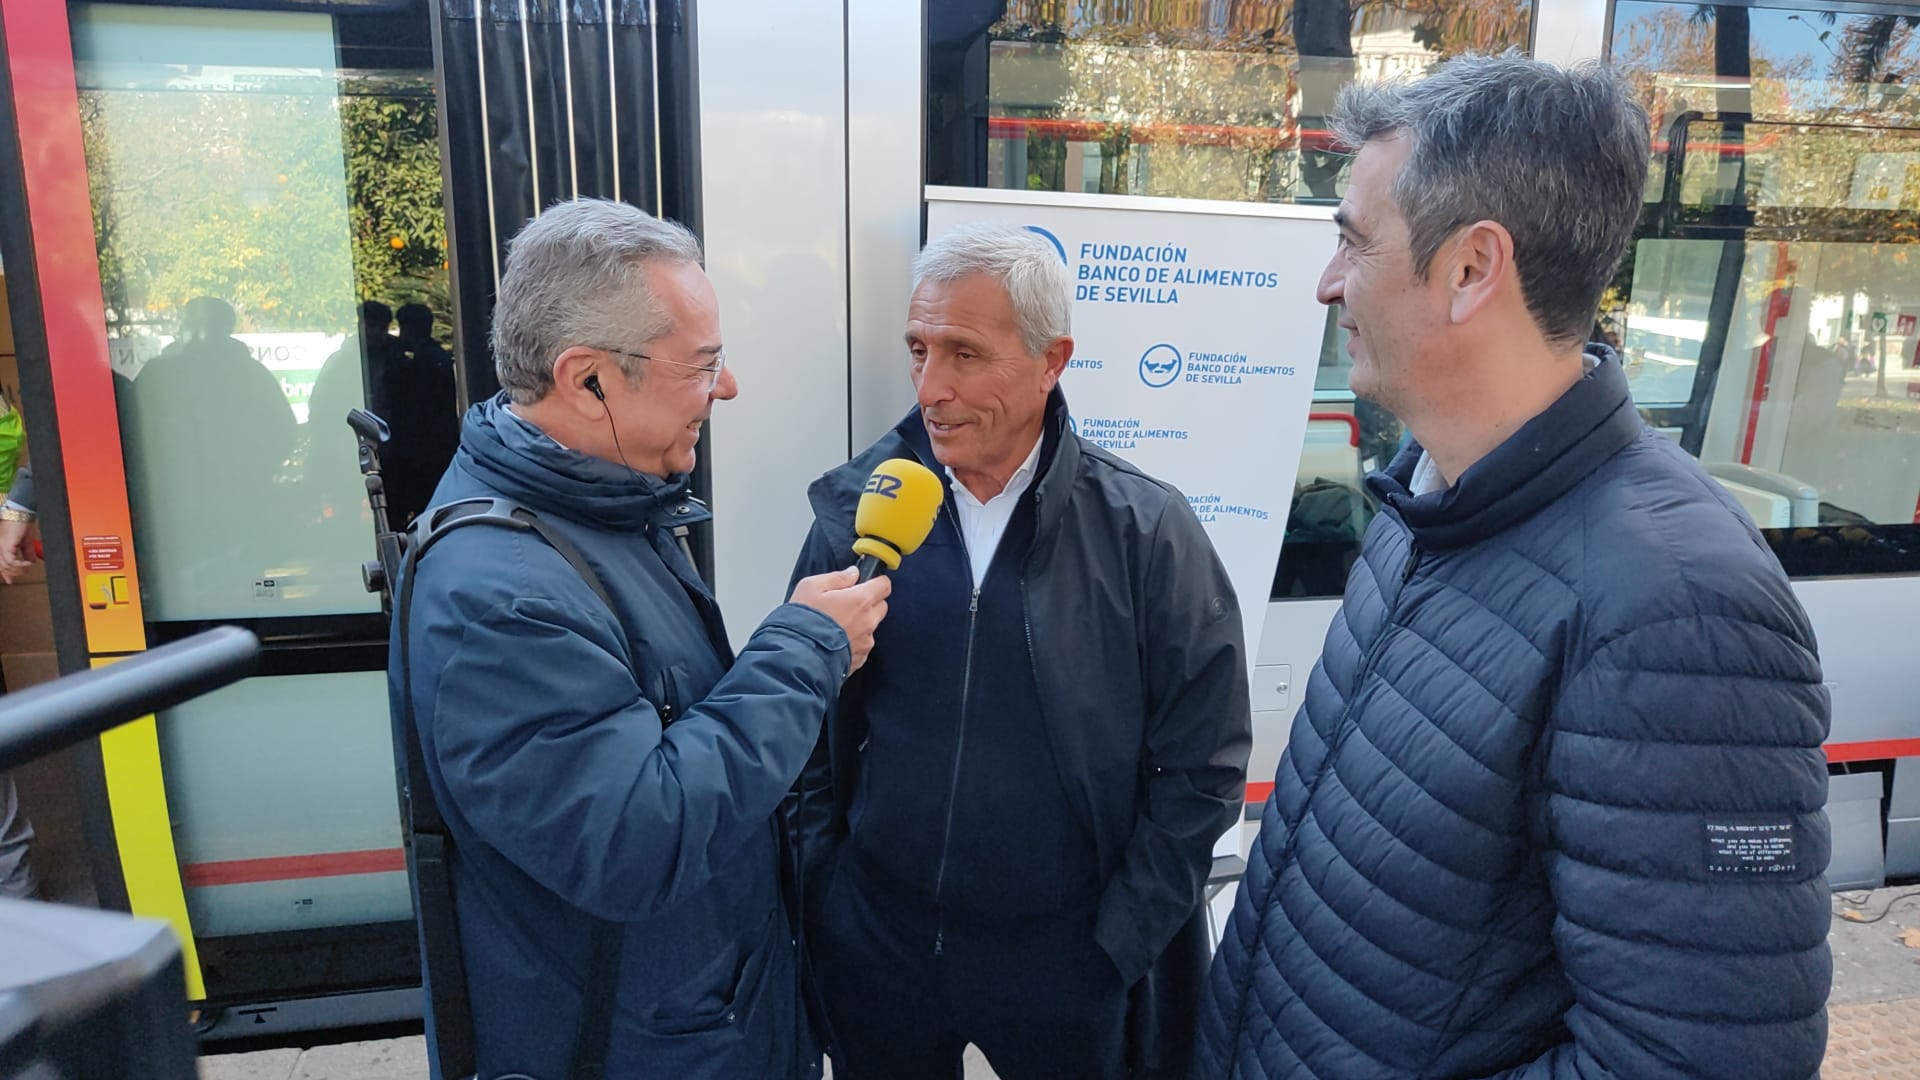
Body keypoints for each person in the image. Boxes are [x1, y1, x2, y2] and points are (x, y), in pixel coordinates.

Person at [1195, 56, 1832, 1079]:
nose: (1327, 283)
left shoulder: (1679, 608)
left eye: (1354, 242)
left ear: (1471, 269)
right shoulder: (1429, 492)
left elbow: (1696, 1059)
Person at [393, 198, 890, 1078]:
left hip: (690, 1020)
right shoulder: (498, 597)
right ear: (588, 380)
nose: (726, 388)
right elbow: (634, 836)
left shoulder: (596, 508)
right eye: (703, 365)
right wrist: (806, 649)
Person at [789, 223, 1252, 1080]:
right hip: (877, 945)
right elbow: (807, 722)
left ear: (1051, 360)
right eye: (919, 349)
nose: (932, 387)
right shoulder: (855, 514)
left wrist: (1117, 945)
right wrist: (828, 894)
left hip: (1066, 958)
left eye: (965, 353)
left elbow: (1204, 765)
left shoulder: (1146, 531)